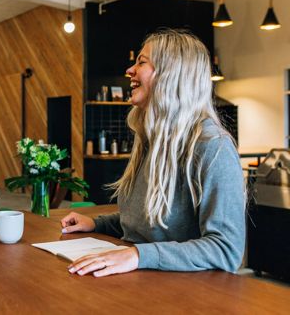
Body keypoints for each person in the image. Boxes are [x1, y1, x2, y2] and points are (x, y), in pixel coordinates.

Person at [61, 29, 245, 277]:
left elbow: (226, 249)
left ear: (170, 74)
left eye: (141, 62)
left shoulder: (213, 147)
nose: (129, 71)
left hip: (190, 294)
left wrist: (138, 255)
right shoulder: (152, 140)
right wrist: (97, 224)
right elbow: (150, 223)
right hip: (146, 282)